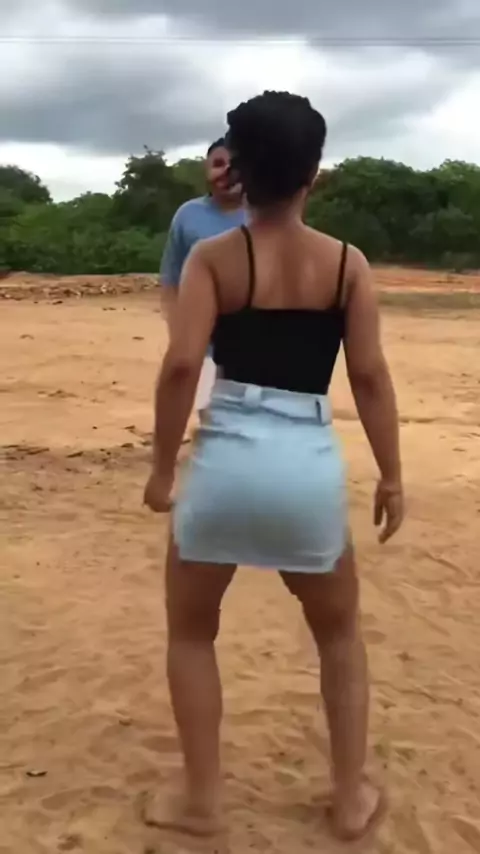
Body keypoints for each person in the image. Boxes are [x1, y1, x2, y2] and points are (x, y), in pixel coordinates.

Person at [144, 91, 404, 842]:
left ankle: (202, 801)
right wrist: (391, 474)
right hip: (306, 463)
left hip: (225, 460)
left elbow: (181, 365)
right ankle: (349, 799)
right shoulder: (347, 264)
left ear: (236, 171)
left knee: (192, 633)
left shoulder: (212, 258)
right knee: (339, 636)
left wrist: (162, 470)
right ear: (314, 173)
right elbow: (370, 377)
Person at [159, 138, 246, 411]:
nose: (226, 171)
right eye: (218, 164)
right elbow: (171, 280)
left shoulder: (267, 215)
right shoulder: (187, 215)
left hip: (255, 349)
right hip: (203, 348)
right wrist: (180, 337)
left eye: (235, 164)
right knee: (210, 420)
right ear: (206, 170)